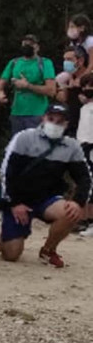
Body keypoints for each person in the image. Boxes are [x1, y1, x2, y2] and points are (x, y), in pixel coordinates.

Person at [0, 104, 92, 268]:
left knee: (70, 212)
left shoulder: (72, 146)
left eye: (60, 121)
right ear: (43, 118)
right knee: (11, 254)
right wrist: (14, 203)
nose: (55, 124)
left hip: (48, 198)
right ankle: (6, 239)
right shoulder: (24, 138)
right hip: (19, 198)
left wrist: (78, 201)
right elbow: (7, 172)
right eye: (51, 118)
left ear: (66, 124)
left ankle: (49, 249)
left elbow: (84, 177)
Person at [0, 34, 56, 135]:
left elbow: (51, 90)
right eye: (25, 44)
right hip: (17, 112)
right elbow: (0, 84)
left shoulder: (45, 63)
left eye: (31, 44)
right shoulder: (14, 63)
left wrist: (28, 86)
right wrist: (0, 93)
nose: (27, 47)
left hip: (38, 113)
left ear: (37, 47)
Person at [56, 46, 88, 136]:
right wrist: (64, 87)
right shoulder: (66, 78)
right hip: (71, 127)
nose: (66, 62)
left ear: (80, 60)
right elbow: (63, 99)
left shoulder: (90, 79)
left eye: (69, 59)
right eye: (64, 59)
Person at [75, 74, 93, 236]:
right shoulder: (84, 108)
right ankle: (84, 219)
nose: (87, 90)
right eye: (85, 86)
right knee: (85, 182)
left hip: (91, 145)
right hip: (82, 145)